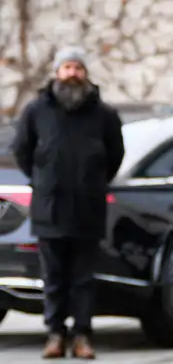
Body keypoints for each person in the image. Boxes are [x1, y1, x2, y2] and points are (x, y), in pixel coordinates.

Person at [11, 46, 125, 360]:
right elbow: (22, 151)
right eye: (67, 67)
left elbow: (115, 156)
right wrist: (44, 180)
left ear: (85, 73)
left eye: (78, 67)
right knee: (54, 278)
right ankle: (55, 335)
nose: (72, 73)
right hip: (50, 210)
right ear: (57, 72)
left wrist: (94, 182)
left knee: (84, 280)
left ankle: (82, 336)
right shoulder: (36, 111)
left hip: (88, 210)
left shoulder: (104, 114)